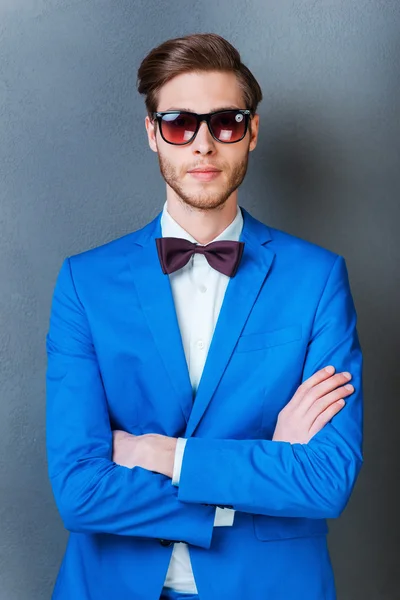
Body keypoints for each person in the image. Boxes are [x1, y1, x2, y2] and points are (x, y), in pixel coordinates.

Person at [45, 32, 363, 600]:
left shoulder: (316, 281)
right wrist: (258, 473)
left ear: (252, 132)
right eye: (178, 124)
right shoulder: (84, 283)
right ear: (153, 134)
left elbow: (325, 480)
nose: (202, 145)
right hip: (109, 586)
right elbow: (79, 490)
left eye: (226, 122)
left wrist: (159, 454)